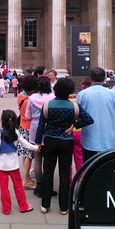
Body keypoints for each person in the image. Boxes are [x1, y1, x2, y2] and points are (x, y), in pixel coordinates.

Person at [35, 78, 93, 215]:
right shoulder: (74, 107)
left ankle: (45, 204)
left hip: (49, 140)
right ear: (70, 91)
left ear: (55, 90)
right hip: (66, 141)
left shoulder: (47, 104)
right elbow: (89, 119)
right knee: (64, 174)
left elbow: (41, 125)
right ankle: (64, 207)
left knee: (48, 172)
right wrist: (75, 125)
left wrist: (38, 142)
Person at [0, 110, 37, 215]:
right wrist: (36, 148)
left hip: (2, 166)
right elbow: (26, 144)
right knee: (18, 186)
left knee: (4, 188)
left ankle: (6, 209)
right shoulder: (16, 132)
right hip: (13, 165)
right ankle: (23, 206)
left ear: (2, 120)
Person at [76, 67, 115, 162]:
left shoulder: (82, 94)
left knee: (89, 167)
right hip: (108, 136)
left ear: (90, 78)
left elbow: (78, 115)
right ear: (104, 78)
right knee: (107, 165)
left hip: (89, 137)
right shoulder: (114, 94)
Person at [25, 76, 55, 198]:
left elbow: (27, 116)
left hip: (35, 128)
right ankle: (49, 186)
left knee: (37, 160)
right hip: (49, 129)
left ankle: (39, 186)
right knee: (50, 160)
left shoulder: (31, 98)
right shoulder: (53, 98)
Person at [16, 75, 38, 190]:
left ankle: (27, 176)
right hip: (30, 127)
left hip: (22, 126)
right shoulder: (31, 99)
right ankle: (25, 180)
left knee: (24, 153)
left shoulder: (20, 95)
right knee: (29, 155)